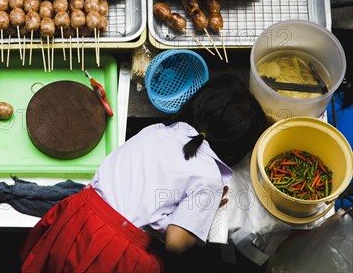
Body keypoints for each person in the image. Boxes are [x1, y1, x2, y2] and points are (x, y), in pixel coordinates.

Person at [20, 74, 266, 272]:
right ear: (234, 152)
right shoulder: (210, 178)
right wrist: (205, 209)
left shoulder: (155, 130)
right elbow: (176, 243)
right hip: (113, 252)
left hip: (76, 219)